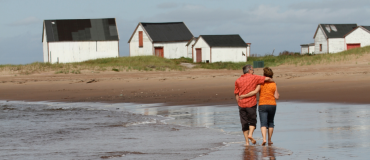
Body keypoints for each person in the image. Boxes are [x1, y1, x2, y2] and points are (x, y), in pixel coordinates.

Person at [234, 65, 273, 146]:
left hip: (241, 104)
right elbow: (267, 78)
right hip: (251, 103)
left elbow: (236, 93)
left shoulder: (238, 80)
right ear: (249, 70)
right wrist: (272, 81)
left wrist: (238, 102)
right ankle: (250, 134)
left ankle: (247, 142)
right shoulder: (254, 77)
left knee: (244, 122)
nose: (253, 71)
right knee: (252, 121)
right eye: (253, 70)